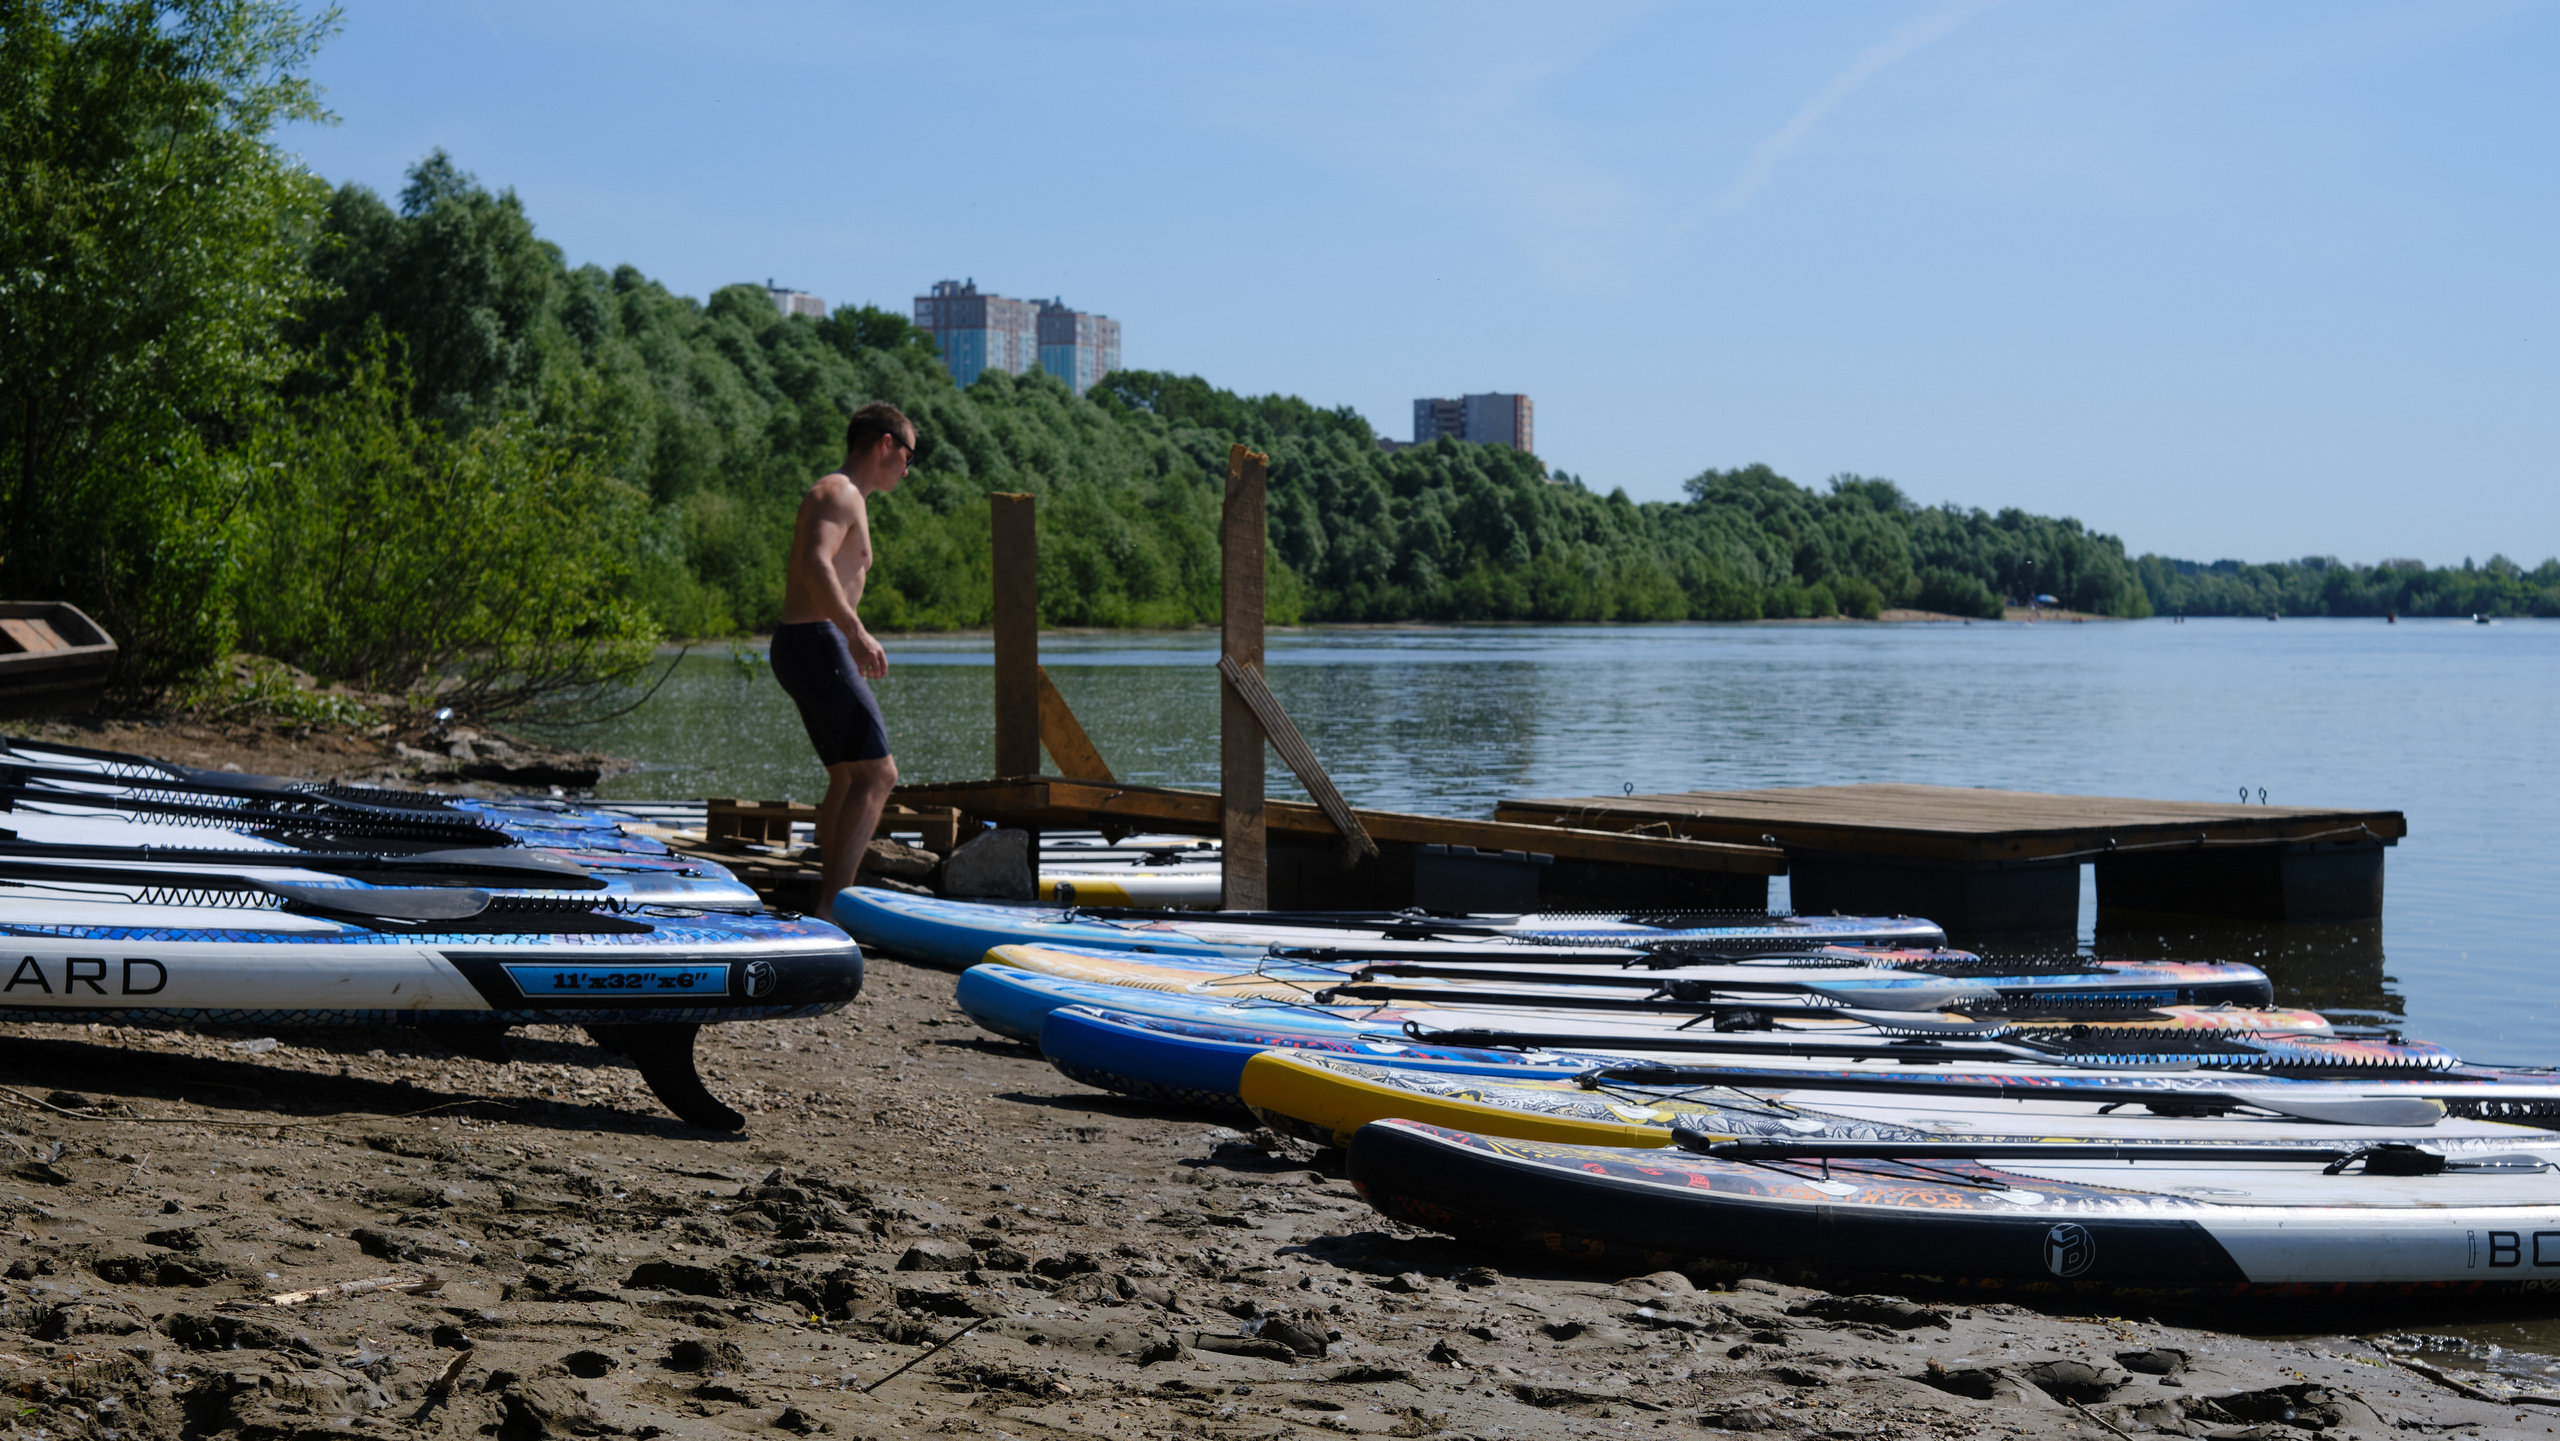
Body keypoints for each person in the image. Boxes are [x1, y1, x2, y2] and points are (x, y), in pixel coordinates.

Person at [771, 401, 915, 909]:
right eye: (909, 456)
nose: (907, 469)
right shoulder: (839, 491)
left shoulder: (848, 497)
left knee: (848, 774)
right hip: (816, 640)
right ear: (885, 444)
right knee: (880, 775)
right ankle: (835, 909)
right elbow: (816, 563)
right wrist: (854, 632)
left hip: (806, 643)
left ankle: (822, 900)